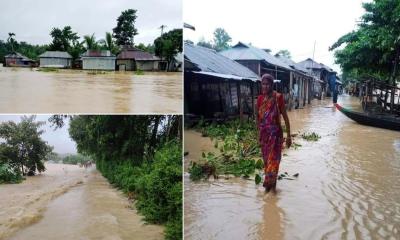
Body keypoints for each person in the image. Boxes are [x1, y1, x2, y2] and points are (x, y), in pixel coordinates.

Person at [256, 73, 292, 193]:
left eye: (267, 84)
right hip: (265, 137)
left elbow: (285, 118)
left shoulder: (278, 97)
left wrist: (289, 136)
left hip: (276, 136)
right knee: (267, 163)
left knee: (274, 162)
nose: (265, 86)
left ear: (272, 85)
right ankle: (270, 191)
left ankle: (271, 189)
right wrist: (258, 135)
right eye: (263, 84)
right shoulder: (260, 99)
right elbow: (258, 119)